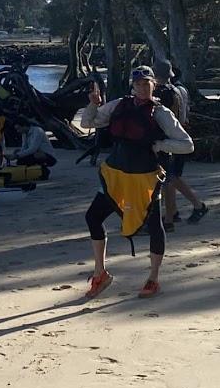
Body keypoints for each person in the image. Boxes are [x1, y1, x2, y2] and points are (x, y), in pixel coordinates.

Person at [78, 66, 194, 299]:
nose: (142, 87)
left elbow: (187, 144)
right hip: (116, 175)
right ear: (133, 85)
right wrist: (93, 103)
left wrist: (160, 145)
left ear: (154, 85)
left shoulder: (161, 113)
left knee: (153, 226)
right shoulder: (119, 105)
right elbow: (88, 123)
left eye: (146, 83)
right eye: (138, 83)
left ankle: (153, 278)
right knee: (93, 217)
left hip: (145, 178)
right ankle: (101, 273)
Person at [155, 62, 207, 229]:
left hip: (170, 140)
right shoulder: (180, 90)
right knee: (172, 177)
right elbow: (185, 117)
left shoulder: (160, 93)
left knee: (169, 178)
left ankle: (174, 215)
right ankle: (177, 212)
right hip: (181, 136)